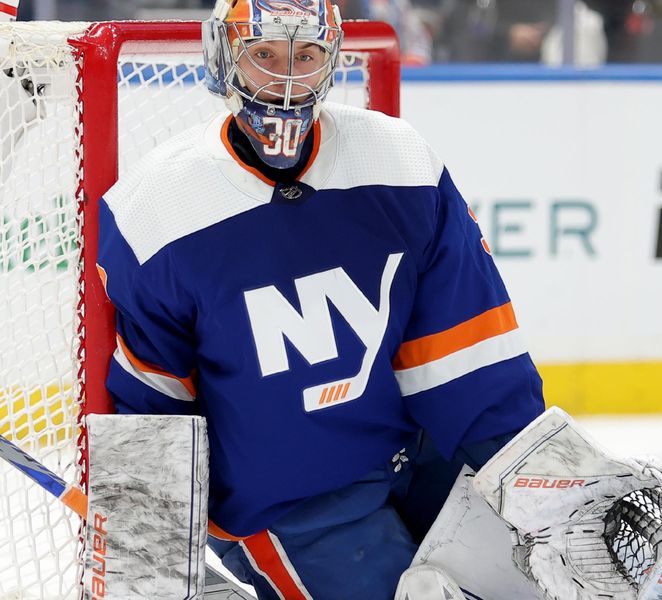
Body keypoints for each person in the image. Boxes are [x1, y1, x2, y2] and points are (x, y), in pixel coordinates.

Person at [97, 0, 544, 598]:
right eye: (264, 55)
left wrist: (538, 483)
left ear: (331, 60)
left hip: (424, 459)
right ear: (223, 59)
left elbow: (468, 350)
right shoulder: (157, 211)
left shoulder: (399, 162)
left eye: (305, 55)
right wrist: (152, 566)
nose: (286, 80)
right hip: (293, 502)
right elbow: (155, 403)